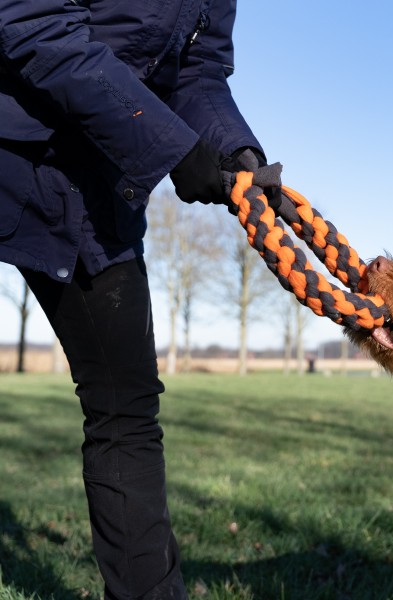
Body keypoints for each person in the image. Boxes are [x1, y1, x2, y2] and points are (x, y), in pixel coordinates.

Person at [0, 2, 275, 597]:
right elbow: (33, 24)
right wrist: (172, 146)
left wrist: (233, 153)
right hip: (11, 146)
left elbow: (199, 70)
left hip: (96, 187)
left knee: (126, 408)